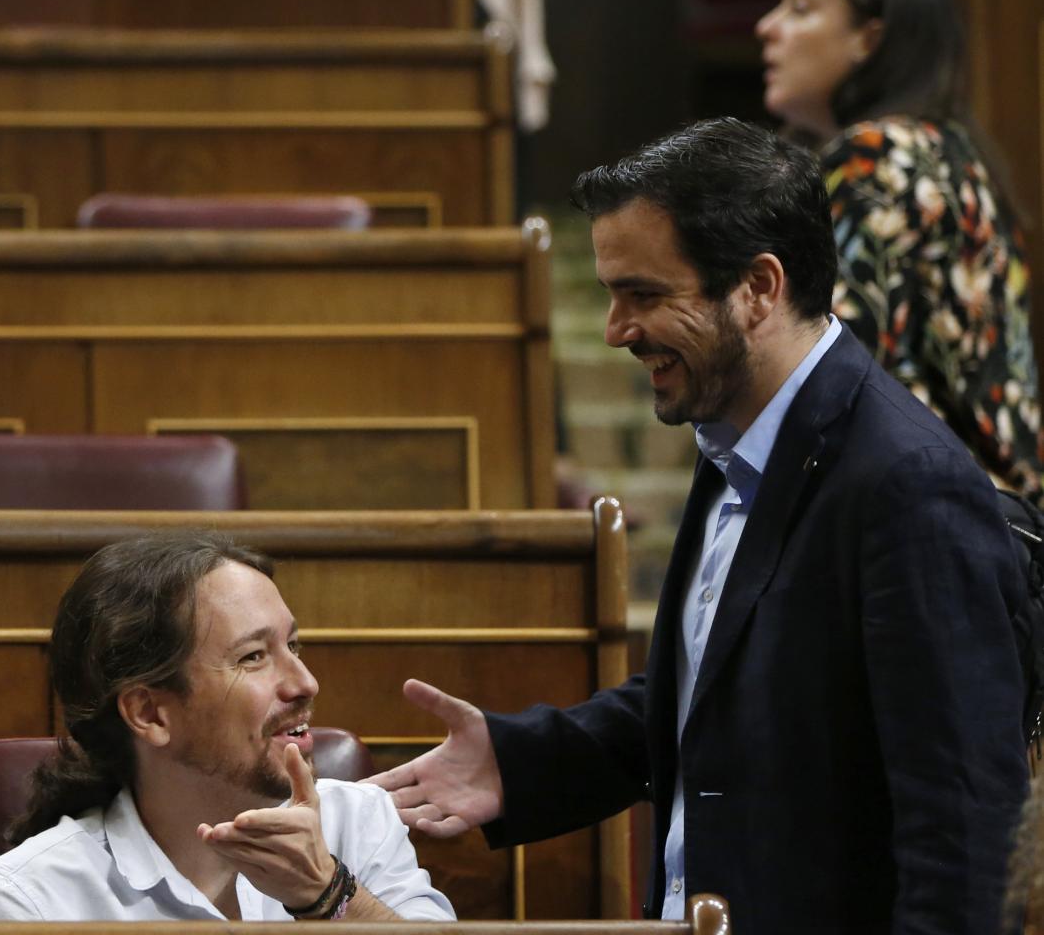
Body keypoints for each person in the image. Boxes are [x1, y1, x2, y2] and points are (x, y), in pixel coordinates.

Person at [364, 118, 1029, 933]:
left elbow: (963, 836)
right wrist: (521, 762)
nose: (616, 330)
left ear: (758, 287)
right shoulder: (735, 440)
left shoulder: (909, 485)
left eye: (643, 295)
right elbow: (726, 691)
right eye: (610, 295)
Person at [0, 531, 453, 922]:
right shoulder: (29, 901)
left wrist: (329, 894)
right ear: (150, 714)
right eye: (253, 657)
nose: (305, 683)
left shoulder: (357, 824)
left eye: (293, 646)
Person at [756, 0, 1042, 502]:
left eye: (800, 8)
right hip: (988, 514)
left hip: (939, 520)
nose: (766, 27)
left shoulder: (878, 155)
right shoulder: (942, 148)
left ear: (868, 38)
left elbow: (829, 375)